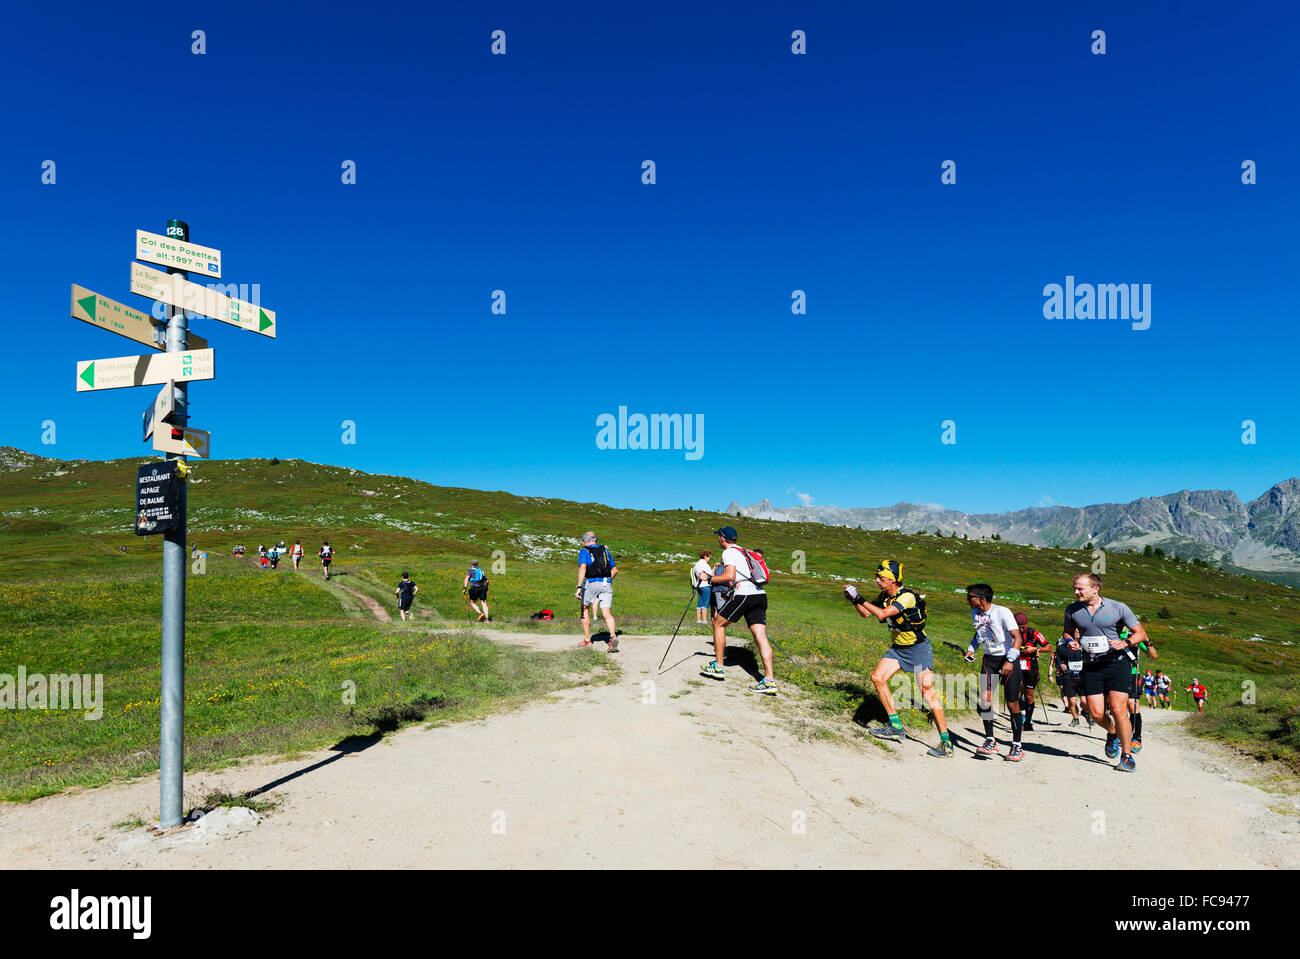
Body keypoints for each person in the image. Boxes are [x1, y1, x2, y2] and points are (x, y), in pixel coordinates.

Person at [843, 560, 953, 758]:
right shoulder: (885, 595)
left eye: (881, 578)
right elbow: (866, 614)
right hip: (898, 649)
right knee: (877, 678)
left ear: (892, 579)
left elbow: (883, 614)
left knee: (928, 695)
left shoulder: (907, 596)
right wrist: (854, 601)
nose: (877, 581)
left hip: (918, 649)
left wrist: (859, 596)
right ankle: (896, 727)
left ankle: (946, 743)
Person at [1062, 573, 1147, 772]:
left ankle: (1127, 757)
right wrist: (1069, 641)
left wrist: (1125, 643)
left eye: (1080, 589)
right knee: (1096, 713)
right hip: (1091, 664)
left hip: (1117, 662)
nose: (1075, 592)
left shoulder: (1118, 607)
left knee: (1118, 710)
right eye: (1074, 588)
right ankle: (1112, 733)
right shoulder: (1072, 610)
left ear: (1095, 588)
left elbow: (1141, 634)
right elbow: (1067, 631)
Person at [700, 527, 776, 694]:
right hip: (759, 595)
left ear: (722, 538)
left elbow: (729, 575)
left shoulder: (728, 553)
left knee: (718, 623)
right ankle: (769, 680)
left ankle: (719, 667)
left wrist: (709, 578)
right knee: (760, 636)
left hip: (745, 595)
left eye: (719, 537)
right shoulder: (744, 551)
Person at [963, 585, 1025, 761]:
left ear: (982, 598)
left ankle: (1017, 745)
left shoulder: (1002, 612)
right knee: (985, 699)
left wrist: (1010, 661)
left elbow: (1017, 637)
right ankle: (990, 740)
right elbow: (979, 634)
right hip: (989, 660)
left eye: (970, 597)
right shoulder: (974, 613)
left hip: (1008, 659)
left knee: (1012, 703)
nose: (968, 600)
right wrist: (971, 649)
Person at [575, 532, 618, 652]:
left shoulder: (584, 551)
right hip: (606, 583)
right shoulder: (605, 550)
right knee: (606, 611)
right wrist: (607, 581)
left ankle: (587, 639)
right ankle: (613, 636)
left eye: (583, 540)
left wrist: (579, 587)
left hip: (591, 583)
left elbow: (583, 567)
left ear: (586, 540)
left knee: (585, 608)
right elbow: (615, 570)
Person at [1014, 612, 1052, 731]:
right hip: (1016, 665)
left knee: (1029, 696)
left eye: (1023, 626)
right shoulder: (1011, 633)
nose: (1021, 629)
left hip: (1031, 668)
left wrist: (1035, 649)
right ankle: (1019, 717)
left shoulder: (1034, 633)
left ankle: (1028, 723)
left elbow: (1049, 647)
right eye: (1018, 626)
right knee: (1016, 692)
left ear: (1027, 624)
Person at [1053, 632, 1091, 728]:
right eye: (1074, 632)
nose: (1076, 634)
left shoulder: (1085, 645)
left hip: (1082, 677)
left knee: (1084, 702)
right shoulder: (1061, 648)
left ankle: (1085, 712)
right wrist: (1061, 665)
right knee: (1072, 701)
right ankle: (1075, 718)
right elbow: (1057, 659)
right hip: (1068, 677)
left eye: (1078, 632)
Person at [691, 550, 714, 624]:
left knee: (700, 602)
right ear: (705, 556)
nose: (709, 558)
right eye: (709, 556)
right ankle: (704, 620)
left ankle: (698, 620)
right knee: (705, 602)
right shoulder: (705, 564)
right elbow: (711, 574)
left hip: (698, 586)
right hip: (706, 585)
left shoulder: (696, 564)